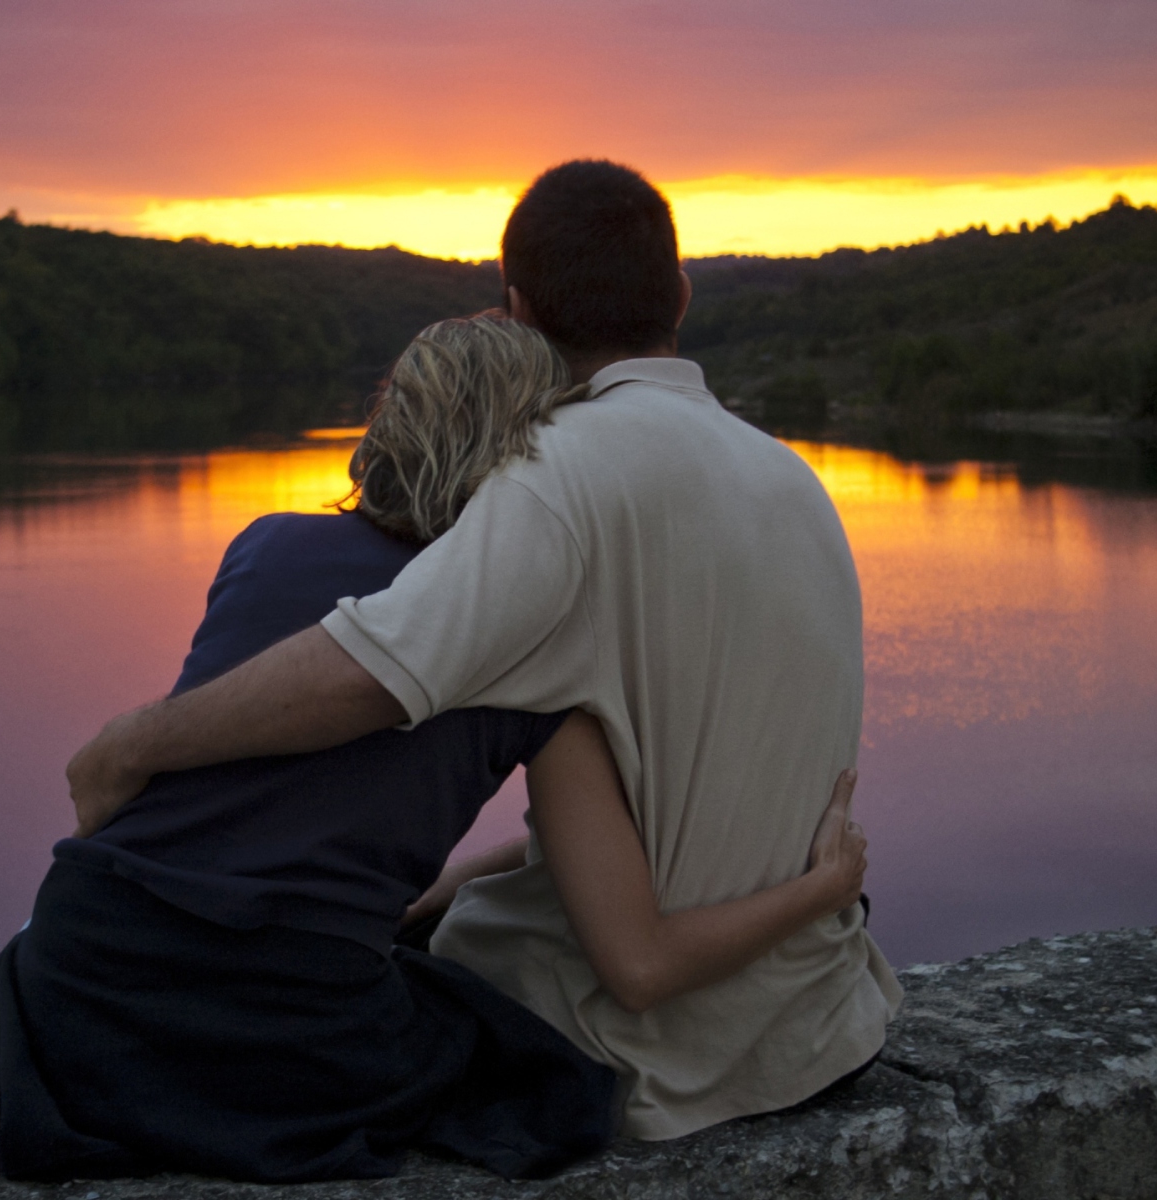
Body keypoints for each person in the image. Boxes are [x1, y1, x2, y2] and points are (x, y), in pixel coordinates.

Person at [0, 313, 870, 1183]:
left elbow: (271, 806)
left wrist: (425, 895)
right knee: (536, 1071)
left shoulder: (262, 545)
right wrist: (819, 889)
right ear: (535, 452)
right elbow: (636, 959)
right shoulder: (529, 641)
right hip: (281, 1017)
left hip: (82, 966)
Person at [65, 160, 903, 1139]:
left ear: (515, 309)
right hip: (819, 1029)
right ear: (678, 294)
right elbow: (654, 815)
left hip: (649, 1059)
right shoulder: (794, 481)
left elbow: (368, 669)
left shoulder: (557, 477)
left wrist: (133, 746)